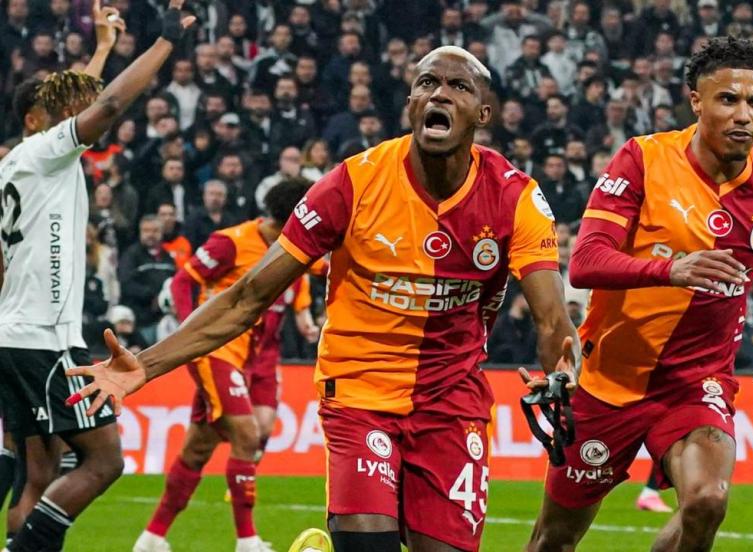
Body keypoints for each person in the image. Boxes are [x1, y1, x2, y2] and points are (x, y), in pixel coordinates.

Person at [68, 45, 577, 552]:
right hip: (359, 392)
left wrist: (562, 371)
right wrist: (145, 365)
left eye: (457, 86)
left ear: (482, 114)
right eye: (427, 83)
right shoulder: (353, 183)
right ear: (410, 104)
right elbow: (247, 297)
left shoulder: (515, 197)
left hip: (452, 402)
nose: (438, 94)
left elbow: (552, 318)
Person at [522, 37, 753, 551]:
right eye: (728, 99)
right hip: (609, 380)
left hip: (696, 382)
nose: (744, 115)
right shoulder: (643, 158)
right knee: (553, 540)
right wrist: (671, 270)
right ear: (696, 101)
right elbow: (587, 261)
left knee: (707, 500)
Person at [0, 3, 194, 551]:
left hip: (16, 334)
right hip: (45, 339)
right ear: (36, 119)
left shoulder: (17, 163)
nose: (76, 114)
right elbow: (104, 106)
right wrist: (164, 43)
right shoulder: (46, 152)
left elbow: (83, 98)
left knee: (40, 473)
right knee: (105, 461)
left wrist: (105, 47)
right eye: (62, 110)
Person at [133, 179, 316, 552]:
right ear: (293, 215)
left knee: (198, 449)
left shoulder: (293, 251)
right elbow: (183, 281)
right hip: (213, 350)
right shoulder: (231, 241)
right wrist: (189, 333)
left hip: (247, 355)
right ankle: (247, 541)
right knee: (247, 434)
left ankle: (152, 538)